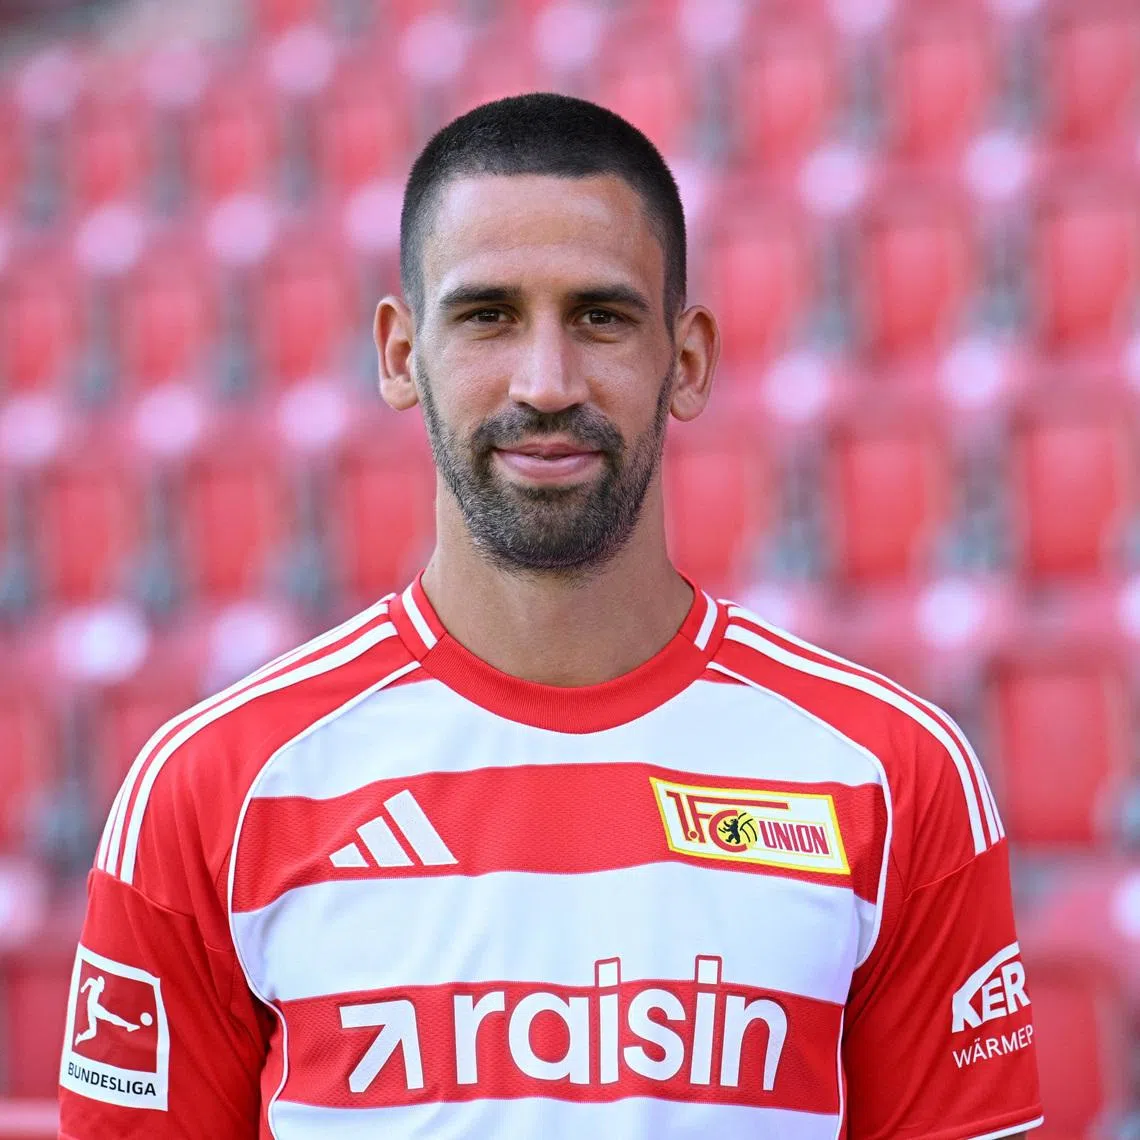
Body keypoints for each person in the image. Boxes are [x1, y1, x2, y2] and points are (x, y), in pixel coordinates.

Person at [59, 93, 1042, 1138]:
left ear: (689, 358)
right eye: (487, 315)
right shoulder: (212, 788)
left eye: (601, 317)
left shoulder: (891, 775)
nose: (545, 381)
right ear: (400, 355)